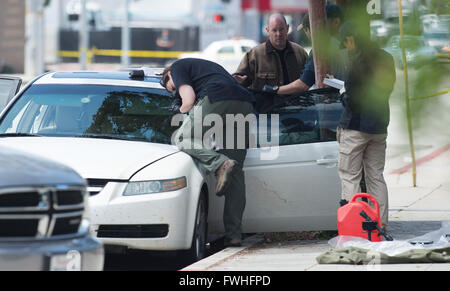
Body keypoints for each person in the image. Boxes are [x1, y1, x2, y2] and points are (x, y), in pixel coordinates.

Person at [160, 58, 255, 247]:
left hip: (217, 99)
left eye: (172, 88)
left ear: (168, 76)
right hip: (243, 104)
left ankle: (219, 163)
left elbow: (188, 100)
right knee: (235, 174)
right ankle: (234, 234)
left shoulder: (177, 68)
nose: (175, 91)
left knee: (182, 138)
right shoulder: (207, 68)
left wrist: (180, 109)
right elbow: (234, 82)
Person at [336, 21, 396, 229]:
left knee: (350, 175)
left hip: (356, 126)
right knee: (375, 177)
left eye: (346, 42)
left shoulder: (357, 61)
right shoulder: (387, 58)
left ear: (351, 38)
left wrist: (343, 94)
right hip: (379, 127)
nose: (346, 47)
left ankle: (355, 226)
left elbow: (353, 99)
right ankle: (381, 225)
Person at [264, 4, 348, 95]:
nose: (308, 34)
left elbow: (303, 85)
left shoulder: (321, 48)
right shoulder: (346, 46)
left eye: (308, 29)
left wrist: (274, 90)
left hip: (332, 104)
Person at [233, 13, 308, 91]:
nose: (278, 34)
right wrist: (238, 81)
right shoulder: (255, 55)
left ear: (287, 28)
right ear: (267, 30)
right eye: (274, 30)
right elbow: (240, 80)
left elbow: (311, 80)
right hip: (267, 103)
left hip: (296, 102)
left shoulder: (299, 53)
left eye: (281, 29)